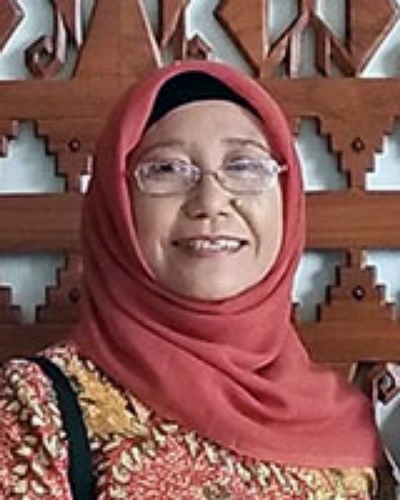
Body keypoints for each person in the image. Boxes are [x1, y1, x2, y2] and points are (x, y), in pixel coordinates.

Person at [0, 60, 394, 499]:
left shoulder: (355, 421)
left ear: (287, 200)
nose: (210, 201)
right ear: (117, 206)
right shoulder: (37, 410)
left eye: (245, 166)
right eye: (167, 170)